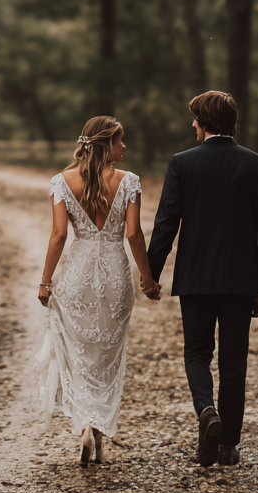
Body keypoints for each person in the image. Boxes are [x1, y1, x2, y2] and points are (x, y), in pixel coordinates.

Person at [147, 91, 258, 467]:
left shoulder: (182, 163)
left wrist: (151, 273)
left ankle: (206, 409)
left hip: (196, 277)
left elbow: (166, 223)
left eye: (195, 119)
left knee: (197, 353)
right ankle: (229, 446)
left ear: (205, 122)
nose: (192, 124)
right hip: (241, 280)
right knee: (234, 362)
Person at [34, 116, 162, 465]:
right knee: (107, 357)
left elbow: (59, 235)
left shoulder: (62, 182)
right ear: (106, 144)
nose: (125, 147)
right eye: (121, 141)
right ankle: (97, 427)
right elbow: (133, 234)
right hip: (115, 276)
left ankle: (86, 427)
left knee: (80, 354)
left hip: (78, 277)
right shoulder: (129, 181)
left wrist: (45, 281)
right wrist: (148, 280)